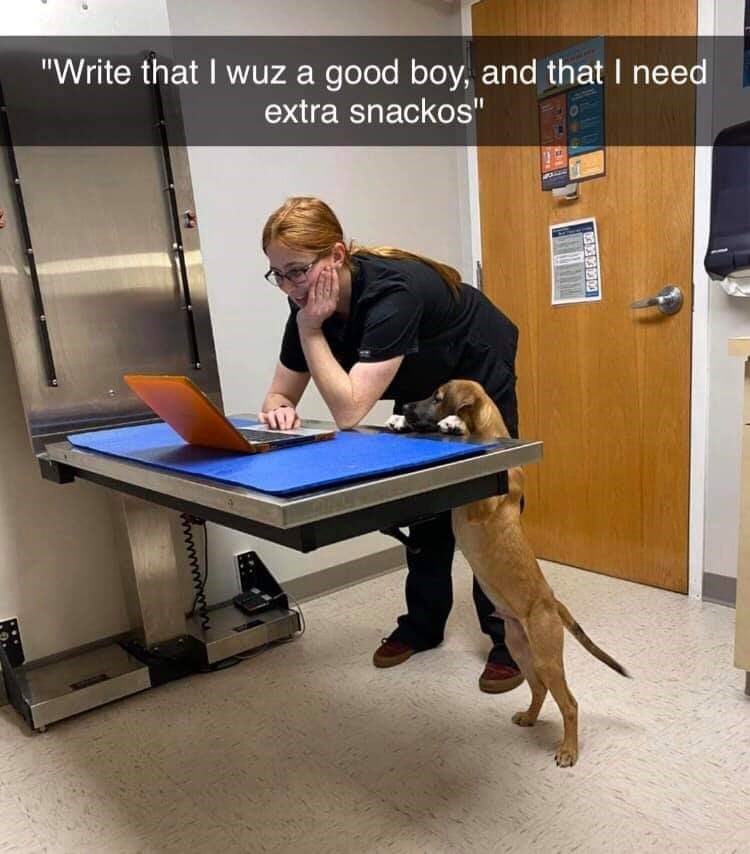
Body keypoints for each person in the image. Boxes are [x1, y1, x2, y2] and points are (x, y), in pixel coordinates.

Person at [259, 196, 523, 693]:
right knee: (423, 504)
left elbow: (349, 411)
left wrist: (310, 330)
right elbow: (279, 393)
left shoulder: (389, 294)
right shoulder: (307, 307)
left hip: (474, 361)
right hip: (418, 377)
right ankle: (422, 626)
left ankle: (509, 639)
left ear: (336, 255)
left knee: (487, 506)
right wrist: (278, 408)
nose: (290, 288)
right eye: (278, 274)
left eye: (297, 271)